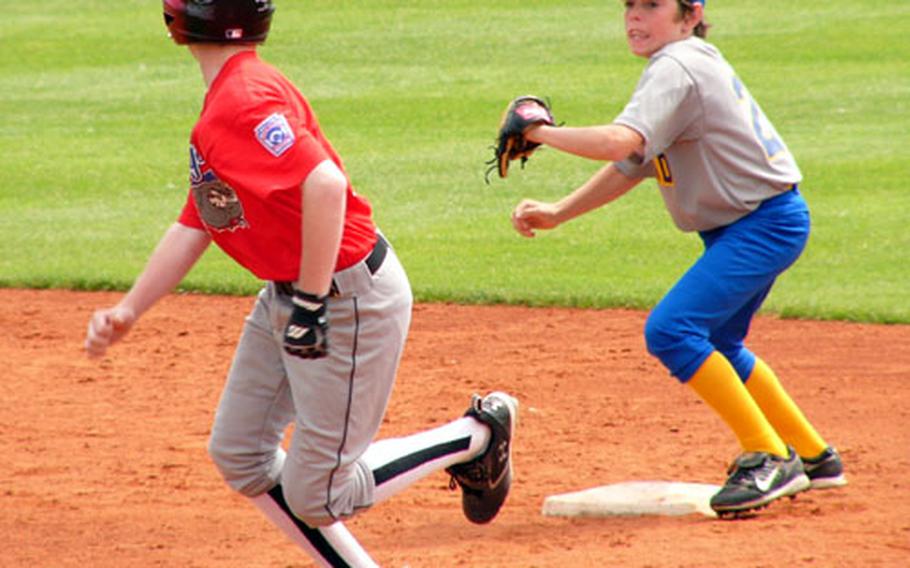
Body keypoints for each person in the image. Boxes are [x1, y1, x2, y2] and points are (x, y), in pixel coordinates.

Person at [84, 1, 518, 565]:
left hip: (343, 298)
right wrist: (129, 310)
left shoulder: (242, 100)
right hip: (293, 293)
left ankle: (477, 436)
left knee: (322, 494)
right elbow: (201, 217)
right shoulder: (234, 92)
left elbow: (326, 184)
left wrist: (311, 302)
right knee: (240, 453)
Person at [509, 0, 845, 517]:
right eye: (629, 5)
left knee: (671, 329)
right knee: (721, 342)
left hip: (760, 225)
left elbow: (619, 141)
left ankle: (771, 456)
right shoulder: (687, 61)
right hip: (758, 223)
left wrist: (540, 132)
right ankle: (814, 456)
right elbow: (632, 163)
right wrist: (560, 212)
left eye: (652, 6)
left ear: (690, 15)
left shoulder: (677, 66)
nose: (635, 17)